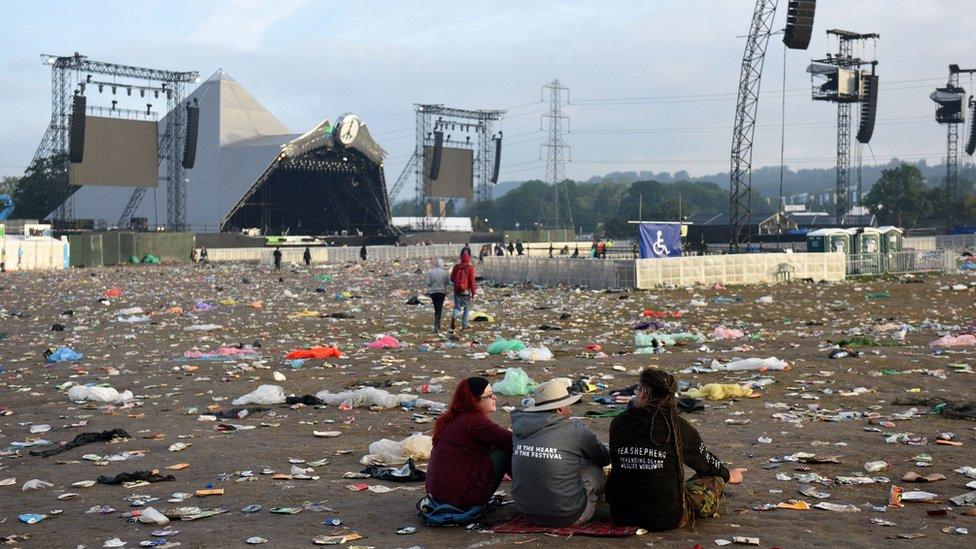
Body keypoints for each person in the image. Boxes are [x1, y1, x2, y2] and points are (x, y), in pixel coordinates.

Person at [607, 369, 745, 531]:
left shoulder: (619, 422)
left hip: (622, 515)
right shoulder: (677, 426)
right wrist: (728, 475)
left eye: (637, 389)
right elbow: (705, 463)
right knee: (715, 480)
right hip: (668, 518)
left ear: (644, 393)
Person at [511, 380, 610, 526]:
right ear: (559, 409)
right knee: (594, 469)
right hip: (569, 515)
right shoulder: (575, 429)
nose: (570, 408)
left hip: (527, 513)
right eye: (568, 404)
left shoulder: (519, 427)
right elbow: (604, 458)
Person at [425, 377, 513, 512]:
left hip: (438, 495)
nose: (494, 398)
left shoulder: (452, 417)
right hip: (458, 499)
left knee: (499, 446)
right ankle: (533, 496)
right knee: (505, 451)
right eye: (489, 396)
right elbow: (511, 441)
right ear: (475, 400)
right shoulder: (474, 422)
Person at [449, 252, 476, 331]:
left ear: (461, 259)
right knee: (466, 308)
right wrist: (474, 292)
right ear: (468, 259)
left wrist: (457, 284)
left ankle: (454, 316)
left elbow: (452, 279)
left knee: (457, 307)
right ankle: (464, 325)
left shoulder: (456, 267)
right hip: (466, 291)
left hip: (457, 291)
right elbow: (472, 281)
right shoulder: (470, 268)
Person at [425, 258, 451, 333]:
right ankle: (437, 325)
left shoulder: (430, 272)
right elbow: (447, 282)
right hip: (442, 292)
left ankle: (437, 323)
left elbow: (428, 283)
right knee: (439, 308)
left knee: (436, 307)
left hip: (433, 292)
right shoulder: (445, 272)